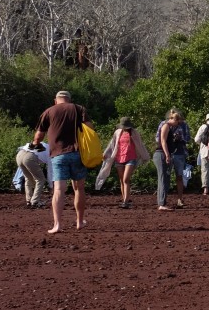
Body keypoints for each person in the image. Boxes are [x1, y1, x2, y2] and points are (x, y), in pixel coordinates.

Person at [32, 90, 91, 233]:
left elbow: (39, 136)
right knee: (79, 188)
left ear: (55, 100)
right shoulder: (79, 109)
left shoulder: (49, 111)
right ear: (69, 99)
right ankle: (79, 222)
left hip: (58, 154)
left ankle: (57, 225)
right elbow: (90, 129)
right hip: (77, 154)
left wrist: (35, 144)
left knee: (58, 189)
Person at [95, 116, 151, 208]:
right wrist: (106, 153)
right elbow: (112, 144)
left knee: (126, 179)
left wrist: (145, 155)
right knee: (122, 180)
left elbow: (140, 145)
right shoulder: (117, 132)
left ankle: (125, 201)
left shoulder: (134, 133)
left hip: (131, 158)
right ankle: (125, 199)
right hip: (119, 158)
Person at [153, 108, 191, 211]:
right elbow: (162, 141)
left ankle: (162, 202)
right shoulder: (165, 125)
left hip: (169, 153)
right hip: (162, 153)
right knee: (163, 179)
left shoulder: (169, 126)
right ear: (174, 119)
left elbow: (186, 138)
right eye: (178, 122)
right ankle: (161, 203)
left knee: (165, 178)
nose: (178, 125)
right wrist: (167, 155)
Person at [14, 140, 51, 209]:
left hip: (19, 154)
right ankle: (35, 201)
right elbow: (50, 172)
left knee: (28, 178)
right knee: (41, 179)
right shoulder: (51, 152)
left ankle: (29, 200)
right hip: (29, 157)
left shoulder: (45, 145)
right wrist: (51, 186)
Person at [195, 113, 209, 201]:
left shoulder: (203, 127)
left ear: (206, 119)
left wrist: (202, 143)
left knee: (205, 170)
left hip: (204, 151)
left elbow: (196, 139)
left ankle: (206, 189)